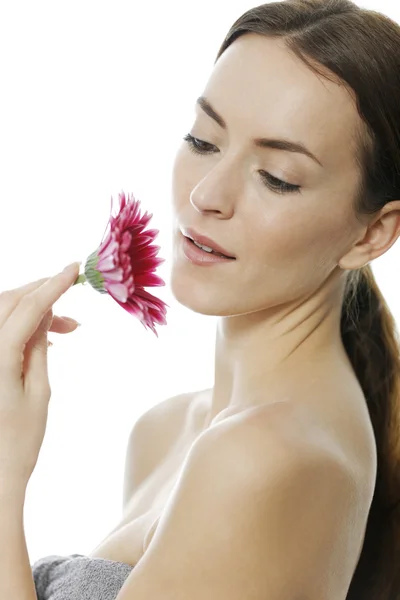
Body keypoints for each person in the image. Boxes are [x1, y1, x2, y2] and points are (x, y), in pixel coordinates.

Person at [1, 0, 400, 598]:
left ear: (371, 234)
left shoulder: (266, 456)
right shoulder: (165, 431)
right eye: (203, 139)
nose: (207, 195)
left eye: (278, 177)